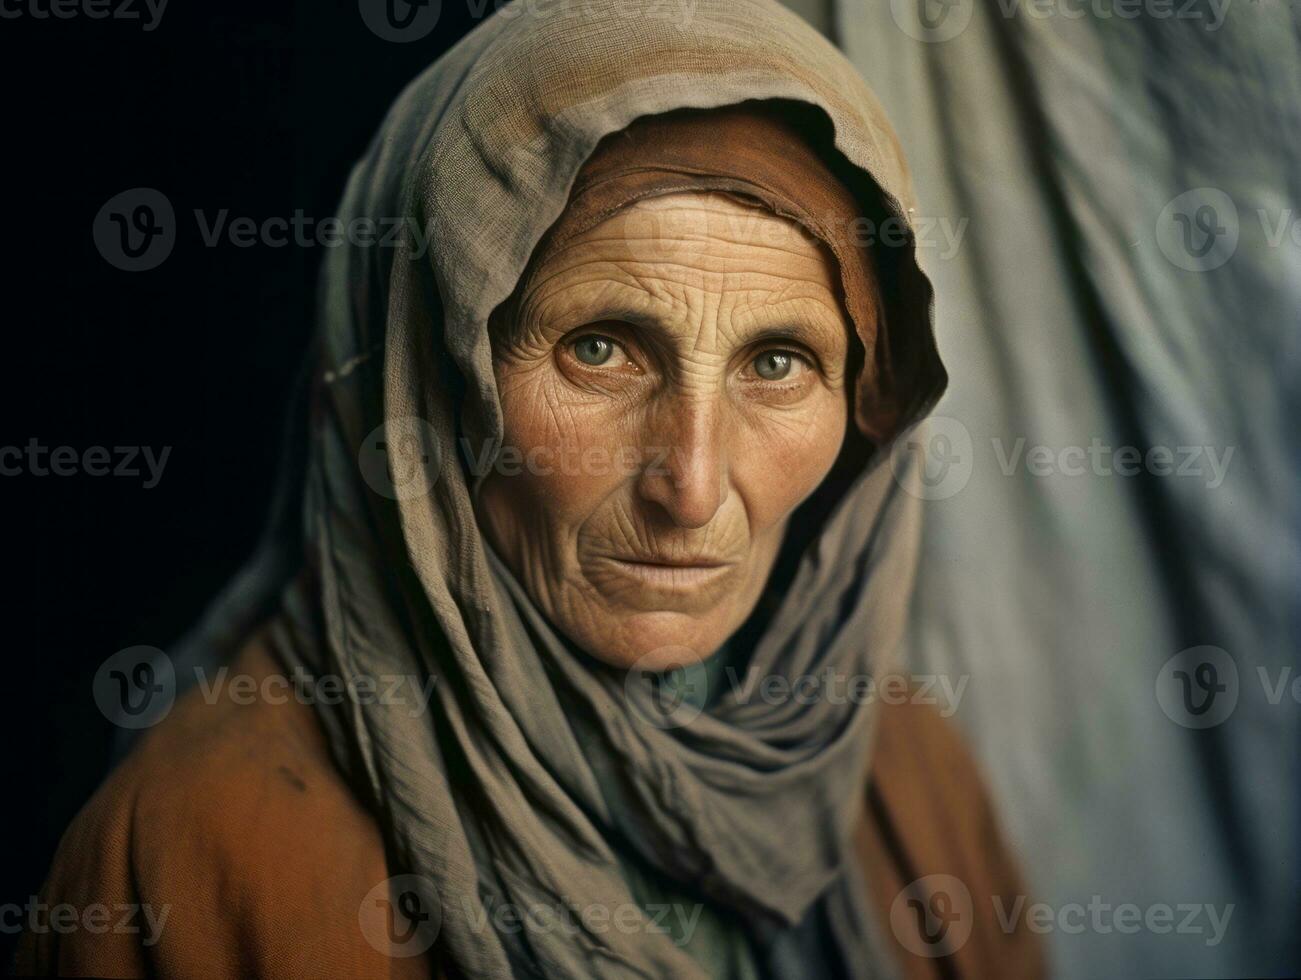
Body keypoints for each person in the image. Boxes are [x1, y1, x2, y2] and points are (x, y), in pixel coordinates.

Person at [17, 1, 1044, 976]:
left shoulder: (897, 763)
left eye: (776, 362)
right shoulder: (196, 862)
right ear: (425, 376)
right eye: (599, 348)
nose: (689, 486)